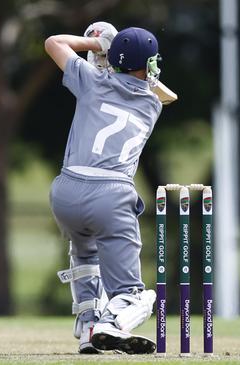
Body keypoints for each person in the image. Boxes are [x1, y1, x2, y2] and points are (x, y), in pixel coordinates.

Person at [45, 23, 163, 354]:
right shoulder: (152, 105)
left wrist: (93, 45)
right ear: (150, 65)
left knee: (84, 253)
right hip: (110, 196)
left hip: (66, 192)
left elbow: (53, 42)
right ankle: (111, 323)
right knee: (137, 295)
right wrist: (110, 58)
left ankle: (87, 327)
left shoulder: (92, 82)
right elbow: (137, 86)